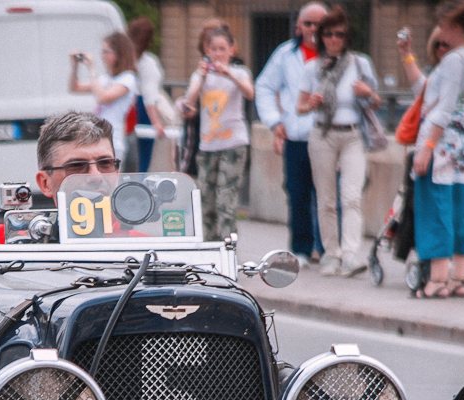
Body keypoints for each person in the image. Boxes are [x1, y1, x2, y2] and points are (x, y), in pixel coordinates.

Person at [297, 6, 379, 277]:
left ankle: (351, 255)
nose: (334, 39)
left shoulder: (360, 63)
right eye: (328, 34)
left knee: (352, 197)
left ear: (347, 37)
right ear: (321, 37)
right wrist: (310, 104)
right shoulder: (312, 67)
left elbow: (377, 102)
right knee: (326, 199)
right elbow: (299, 107)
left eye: (339, 34)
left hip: (353, 134)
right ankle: (331, 254)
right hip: (322, 133)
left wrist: (368, 92)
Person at [410, 1, 464, 298]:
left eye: (446, 26)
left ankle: (438, 279)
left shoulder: (453, 60)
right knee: (459, 206)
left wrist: (426, 147)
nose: (441, 33)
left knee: (435, 205)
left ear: (457, 28)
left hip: (443, 138)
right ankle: (458, 278)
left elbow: (444, 106)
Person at [256, 4, 328, 267]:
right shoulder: (286, 54)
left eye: (318, 25)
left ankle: (328, 247)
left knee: (328, 195)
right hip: (296, 136)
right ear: (299, 25)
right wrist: (275, 122)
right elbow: (264, 86)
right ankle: (302, 248)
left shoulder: (335, 54)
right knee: (298, 194)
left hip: (327, 136)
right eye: (307, 24)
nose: (312, 30)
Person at [182, 25, 254, 241]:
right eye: (214, 49)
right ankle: (209, 246)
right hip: (208, 145)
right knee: (206, 199)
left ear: (232, 50)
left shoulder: (240, 72)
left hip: (233, 143)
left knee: (226, 198)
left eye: (223, 48)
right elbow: (190, 99)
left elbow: (249, 93)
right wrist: (203, 76)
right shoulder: (200, 75)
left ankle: (227, 246)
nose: (218, 53)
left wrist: (229, 73)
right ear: (207, 50)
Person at [71, 31, 138, 166]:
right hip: (96, 140)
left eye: (106, 52)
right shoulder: (105, 79)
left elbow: (103, 97)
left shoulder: (128, 79)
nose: (102, 56)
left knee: (109, 185)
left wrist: (91, 69)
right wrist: (75, 67)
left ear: (118, 54)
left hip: (113, 142)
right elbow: (75, 88)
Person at [127, 18, 170, 173]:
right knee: (144, 158)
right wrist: (156, 122)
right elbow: (149, 96)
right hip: (143, 110)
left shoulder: (125, 60)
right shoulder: (148, 62)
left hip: (128, 107)